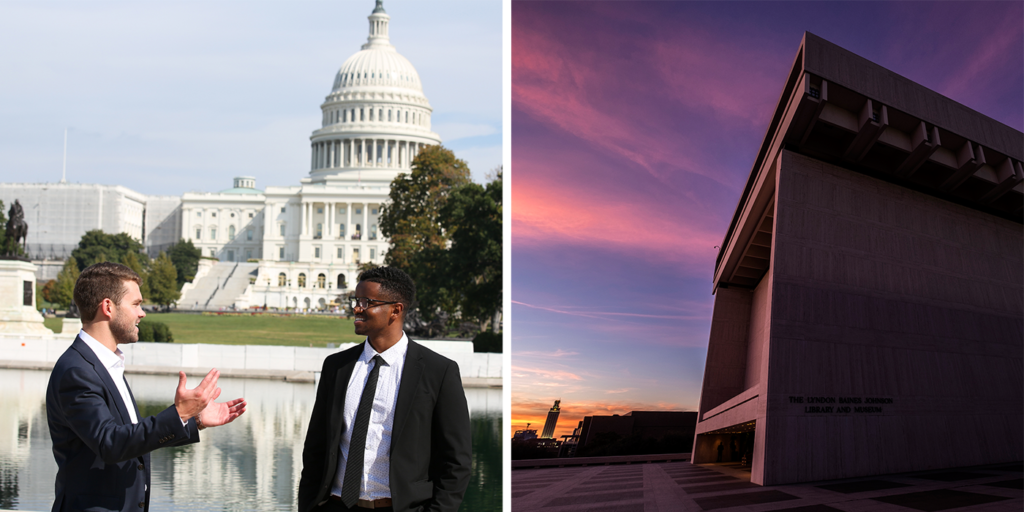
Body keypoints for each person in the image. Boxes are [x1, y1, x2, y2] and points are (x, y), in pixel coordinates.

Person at [45, 262, 246, 512]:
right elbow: (110, 443)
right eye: (136, 304)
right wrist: (179, 413)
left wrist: (194, 421)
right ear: (108, 307)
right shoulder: (77, 371)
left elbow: (131, 438)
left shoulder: (105, 363)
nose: (143, 313)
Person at [299, 266, 471, 512]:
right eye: (356, 301)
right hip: (336, 505)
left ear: (395, 310)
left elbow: (456, 462)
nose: (356, 309)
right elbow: (315, 448)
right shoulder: (337, 367)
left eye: (366, 302)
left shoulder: (438, 372)